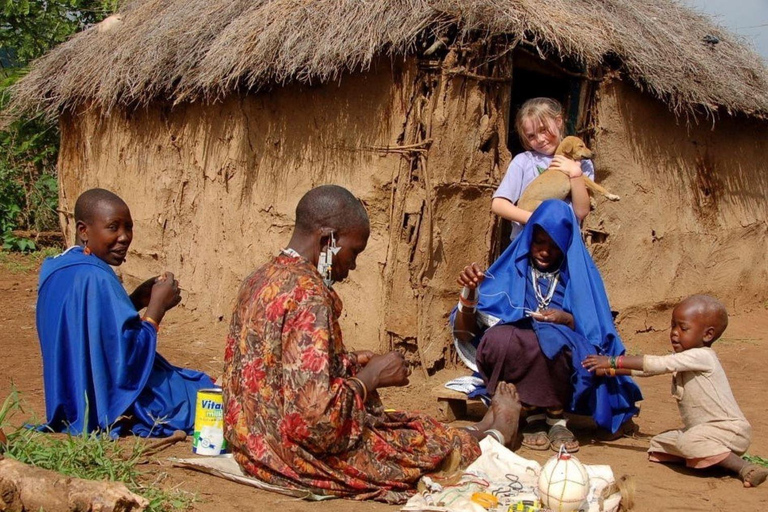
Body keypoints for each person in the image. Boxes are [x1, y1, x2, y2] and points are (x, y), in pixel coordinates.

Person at [222, 185, 522, 503]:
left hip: (251, 446)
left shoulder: (260, 278)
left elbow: (278, 370)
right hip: (291, 459)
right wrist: (370, 378)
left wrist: (351, 362)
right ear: (328, 241)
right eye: (353, 252)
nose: (351, 266)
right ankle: (495, 436)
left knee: (410, 424)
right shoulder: (309, 295)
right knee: (419, 448)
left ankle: (478, 429)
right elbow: (316, 426)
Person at [452, 199, 641, 453]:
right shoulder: (512, 270)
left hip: (564, 351)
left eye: (554, 245)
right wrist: (470, 292)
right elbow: (466, 331)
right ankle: (532, 414)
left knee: (551, 341)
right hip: (520, 346)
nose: (545, 251)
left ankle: (555, 417)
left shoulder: (579, 275)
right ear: (528, 238)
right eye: (539, 242)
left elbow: (594, 329)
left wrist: (566, 320)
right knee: (502, 339)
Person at [36, 188, 214, 437]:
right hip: (105, 395)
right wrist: (156, 309)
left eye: (128, 227)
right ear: (84, 231)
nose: (124, 237)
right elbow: (125, 361)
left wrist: (135, 300)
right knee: (205, 399)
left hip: (69, 393)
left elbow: (92, 332)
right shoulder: (96, 276)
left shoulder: (58, 267)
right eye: (113, 227)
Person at [583, 295, 767, 488]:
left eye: (683, 328)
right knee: (659, 443)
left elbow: (658, 364)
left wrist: (612, 361)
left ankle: (745, 467)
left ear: (708, 335)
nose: (674, 333)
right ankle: (712, 458)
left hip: (728, 430)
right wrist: (611, 371)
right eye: (673, 326)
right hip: (703, 432)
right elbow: (648, 371)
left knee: (688, 442)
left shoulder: (702, 356)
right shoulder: (684, 358)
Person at [493, 97, 593, 240]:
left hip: (564, 243)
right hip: (528, 242)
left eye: (543, 130)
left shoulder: (582, 162)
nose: (540, 139)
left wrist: (575, 173)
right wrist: (536, 219)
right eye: (531, 136)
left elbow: (582, 211)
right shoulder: (524, 161)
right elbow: (498, 204)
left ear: (558, 122)